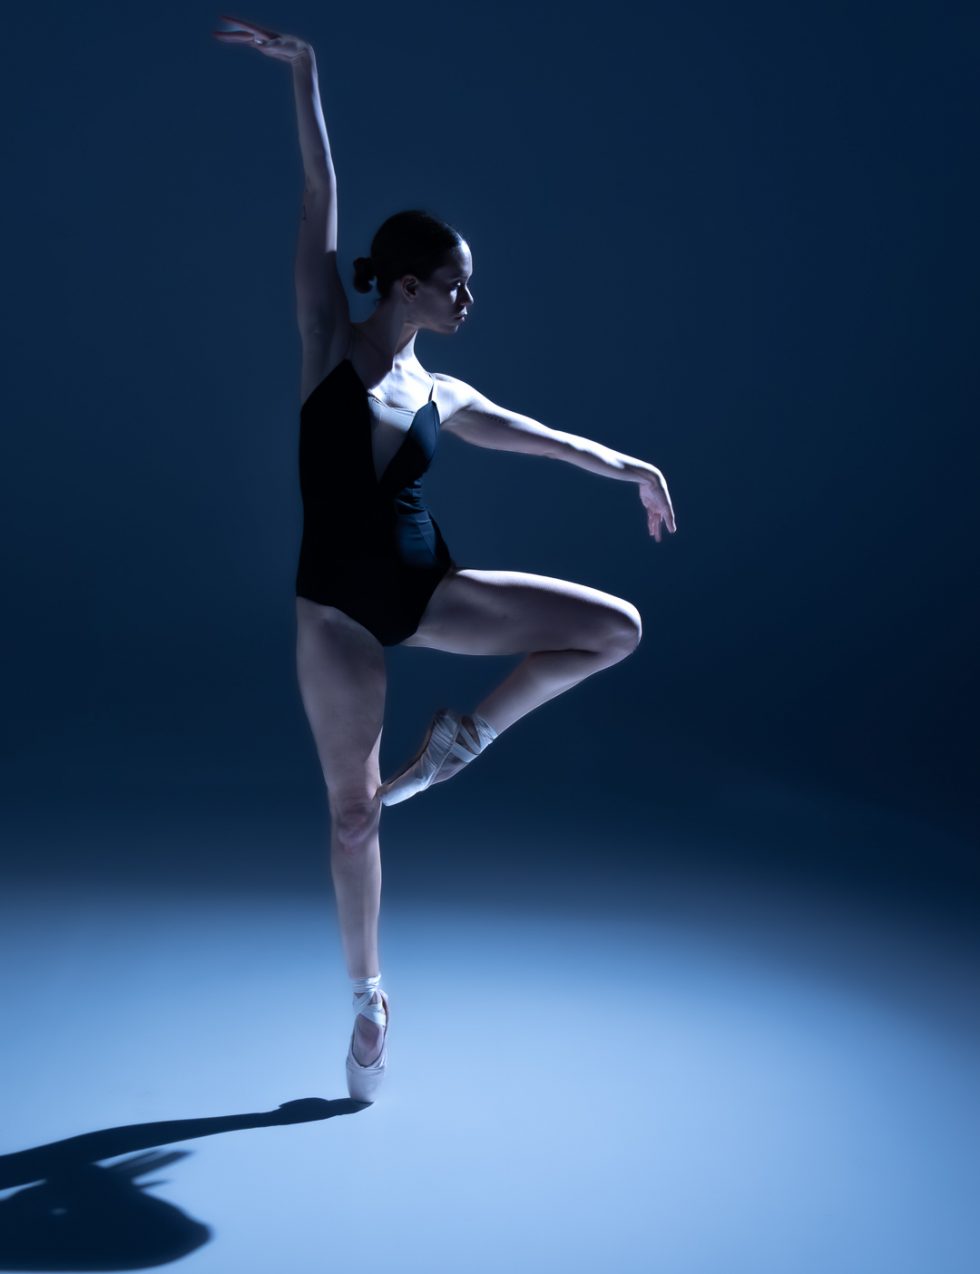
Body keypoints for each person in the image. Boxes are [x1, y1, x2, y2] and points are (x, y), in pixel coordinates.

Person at [213, 15, 677, 1103]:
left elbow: (551, 439)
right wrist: (306, 75)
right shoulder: (327, 338)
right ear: (405, 285)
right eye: (454, 285)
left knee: (611, 627)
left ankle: (463, 738)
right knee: (351, 811)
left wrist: (634, 468)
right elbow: (319, 198)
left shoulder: (443, 393)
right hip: (333, 610)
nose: (467, 303)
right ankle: (369, 999)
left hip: (428, 593)